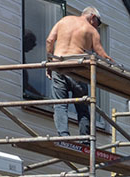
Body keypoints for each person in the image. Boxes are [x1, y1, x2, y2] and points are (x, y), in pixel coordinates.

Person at [44, 7, 111, 137]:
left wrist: (49, 62)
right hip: (77, 69)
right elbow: (102, 55)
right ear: (92, 17)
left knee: (60, 105)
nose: (97, 27)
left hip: (59, 66)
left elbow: (49, 40)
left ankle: (63, 136)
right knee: (82, 106)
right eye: (98, 23)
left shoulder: (64, 21)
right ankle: (85, 139)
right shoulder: (91, 30)